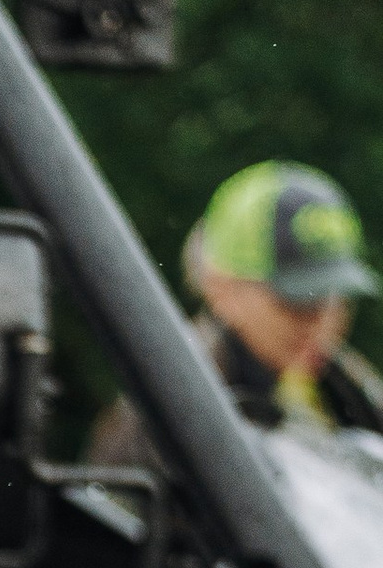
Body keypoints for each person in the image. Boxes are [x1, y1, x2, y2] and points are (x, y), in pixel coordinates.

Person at [92, 158, 383, 463]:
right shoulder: (169, 406)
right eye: (299, 302)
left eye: (337, 300)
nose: (324, 324)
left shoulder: (343, 387)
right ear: (221, 288)